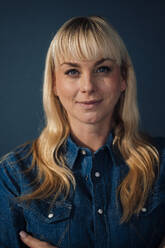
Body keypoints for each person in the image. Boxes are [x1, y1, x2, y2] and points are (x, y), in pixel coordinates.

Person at [0, 15, 165, 248]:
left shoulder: (162, 165)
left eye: (102, 69)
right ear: (54, 83)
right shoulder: (14, 174)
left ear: (123, 79)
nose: (87, 86)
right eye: (72, 72)